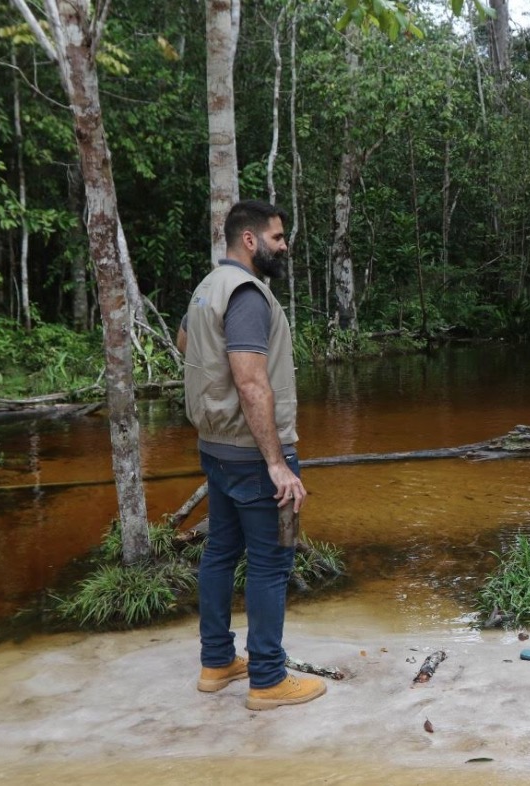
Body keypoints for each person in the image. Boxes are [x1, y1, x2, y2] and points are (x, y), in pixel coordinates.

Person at [178, 199, 326, 711]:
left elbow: (185, 342)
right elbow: (250, 381)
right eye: (278, 238)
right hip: (249, 452)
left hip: (215, 448)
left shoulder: (206, 289)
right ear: (250, 239)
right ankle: (267, 678)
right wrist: (276, 463)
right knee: (269, 563)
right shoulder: (245, 293)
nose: (284, 247)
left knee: (221, 550)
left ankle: (216, 663)